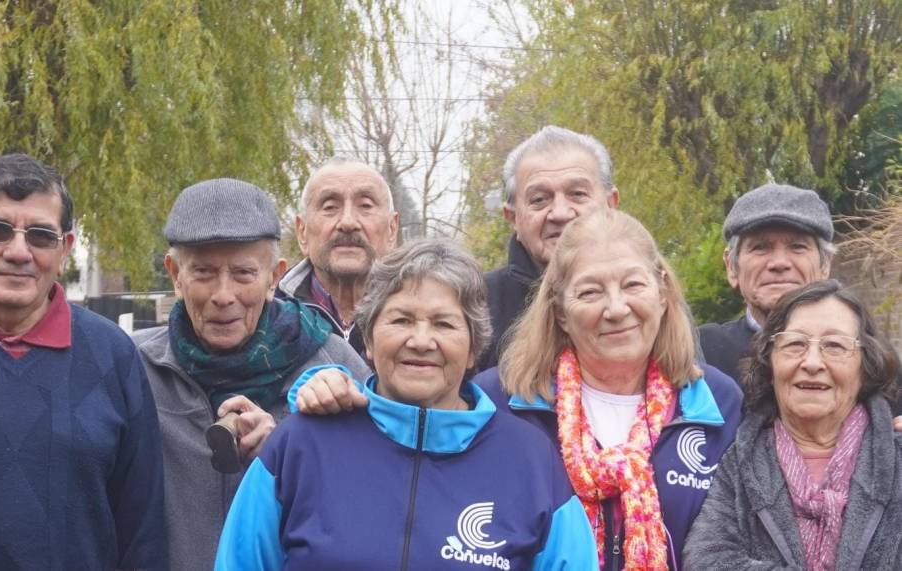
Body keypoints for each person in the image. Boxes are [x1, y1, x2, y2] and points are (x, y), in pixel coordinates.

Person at [292, 210, 742, 570]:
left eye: (632, 285)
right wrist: (320, 386)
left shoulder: (717, 404)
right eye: (589, 292)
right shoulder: (503, 401)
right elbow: (406, 431)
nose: (616, 308)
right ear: (561, 311)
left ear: (662, 292)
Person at [215, 239, 598, 571]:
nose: (420, 340)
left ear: (472, 350)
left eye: (444, 324)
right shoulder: (300, 445)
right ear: (368, 340)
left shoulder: (530, 460)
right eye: (400, 320)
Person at [0, 153, 166, 569]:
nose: (18, 252)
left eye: (41, 236)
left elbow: (143, 531)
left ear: (64, 250)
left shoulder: (113, 356)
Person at [131, 178, 369, 571]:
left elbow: (376, 496)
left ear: (274, 275)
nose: (223, 295)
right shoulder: (134, 366)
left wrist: (288, 449)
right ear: (175, 273)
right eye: (203, 272)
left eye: (243, 273)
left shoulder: (333, 365)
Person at [685, 280, 902, 569]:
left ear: (865, 366)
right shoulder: (737, 464)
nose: (812, 363)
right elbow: (707, 559)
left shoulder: (896, 458)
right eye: (795, 344)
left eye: (834, 345)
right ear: (769, 363)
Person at [480, 125, 620, 371]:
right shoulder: (478, 305)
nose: (560, 213)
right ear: (512, 217)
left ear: (611, 204)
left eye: (577, 194)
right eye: (539, 200)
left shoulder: (646, 296)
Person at [699, 183, 835, 382]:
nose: (779, 263)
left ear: (825, 265)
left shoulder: (866, 355)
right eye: (760, 247)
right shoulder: (700, 353)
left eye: (797, 247)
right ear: (731, 266)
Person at [278, 156, 400, 355]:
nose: (348, 222)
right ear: (302, 232)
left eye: (366, 206)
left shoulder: (422, 321)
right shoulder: (268, 315)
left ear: (392, 229)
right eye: (330, 207)